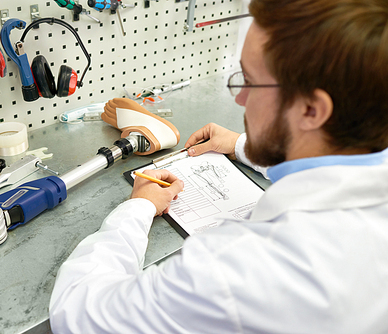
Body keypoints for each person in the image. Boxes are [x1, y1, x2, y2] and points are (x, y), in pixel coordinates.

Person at [49, 0, 388, 332]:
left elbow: (79, 312)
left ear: (312, 111)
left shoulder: (243, 271)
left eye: (251, 82)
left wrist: (136, 208)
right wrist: (244, 145)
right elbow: (331, 170)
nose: (240, 99)